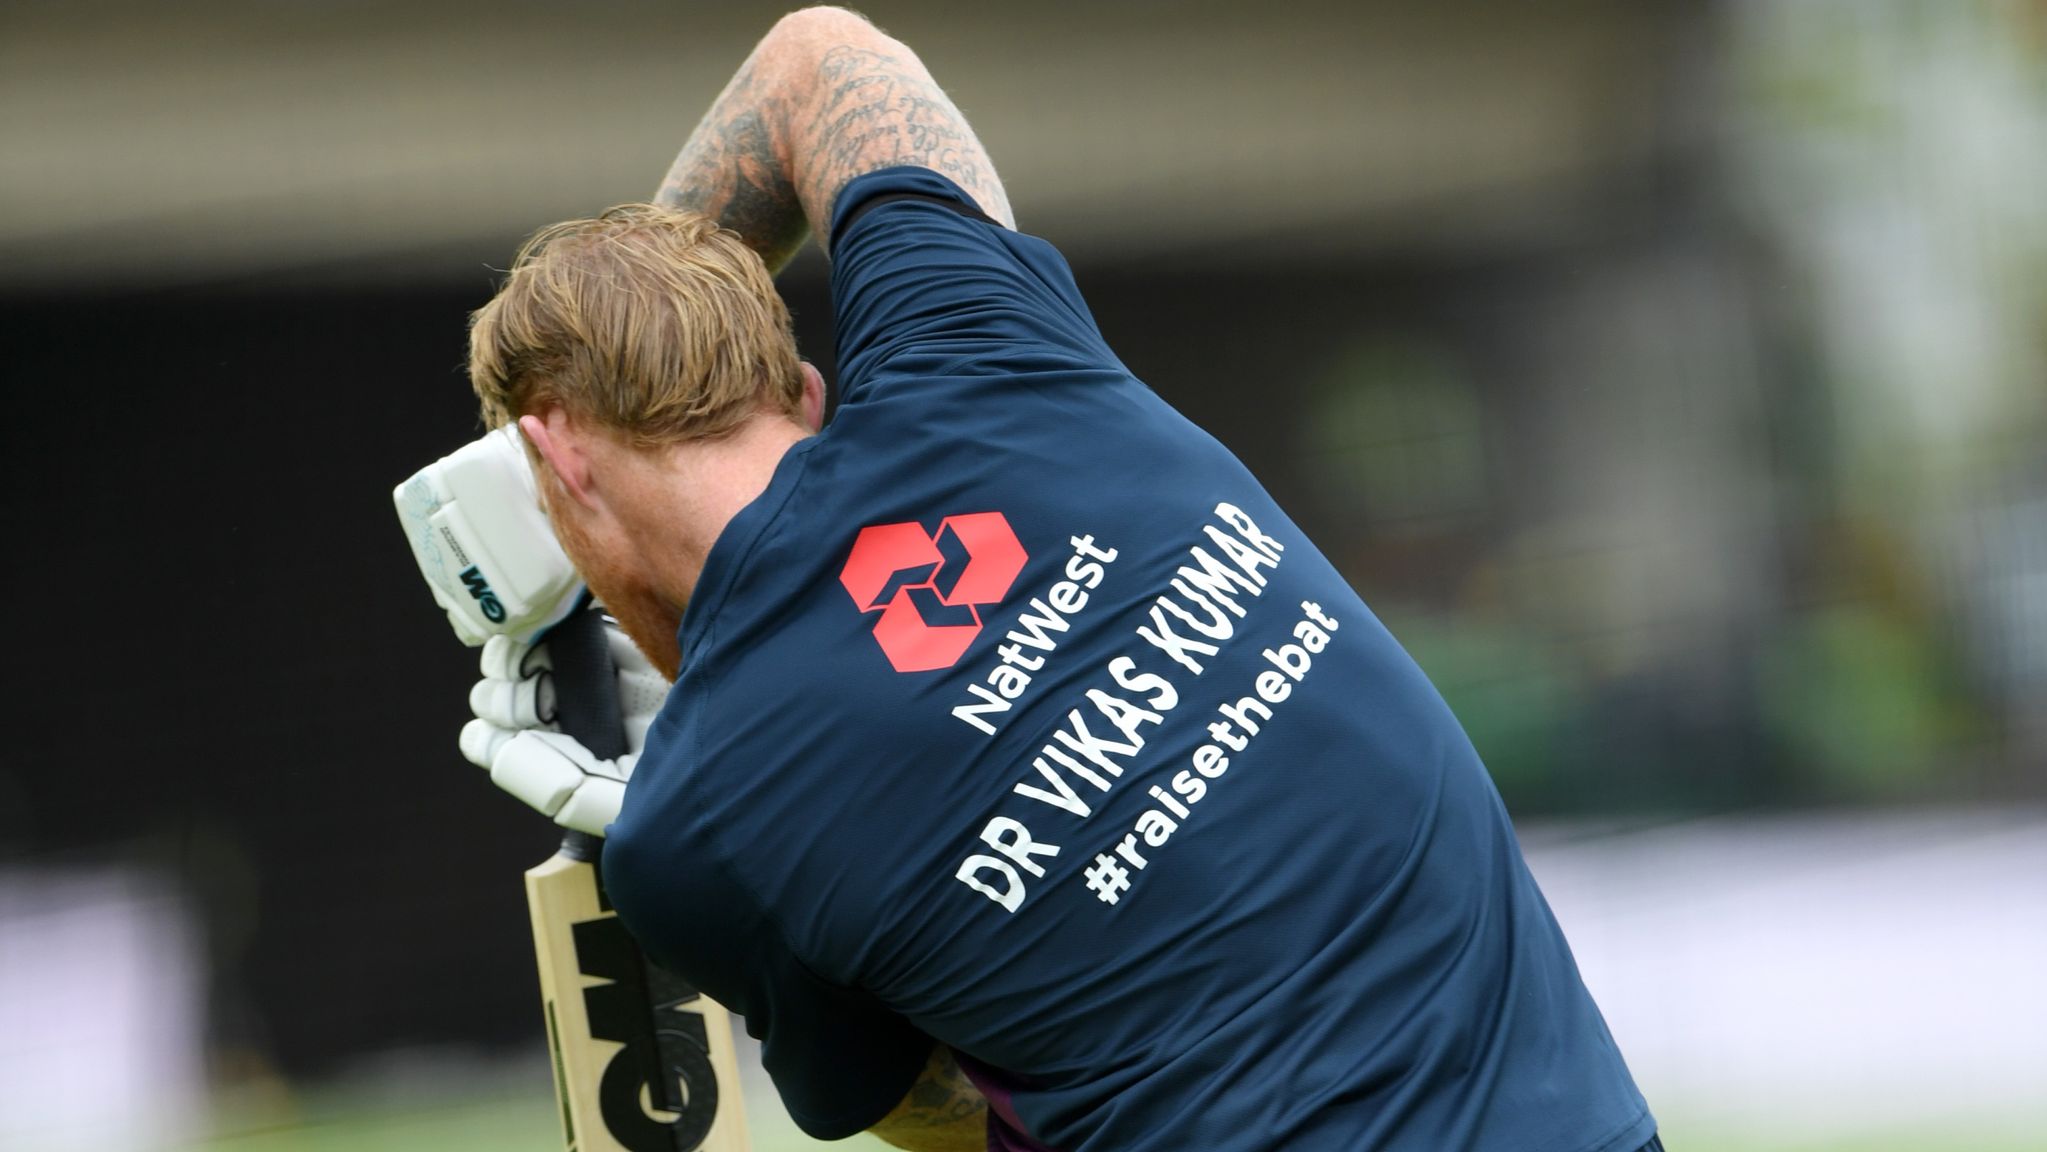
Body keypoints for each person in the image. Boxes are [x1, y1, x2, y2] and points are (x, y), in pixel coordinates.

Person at [460, 8, 1659, 1151]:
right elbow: (816, 60)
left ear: (555, 458)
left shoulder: (694, 833)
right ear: (808, 399)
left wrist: (679, 820)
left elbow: (937, 1114)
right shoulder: (978, 348)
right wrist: (662, 285)